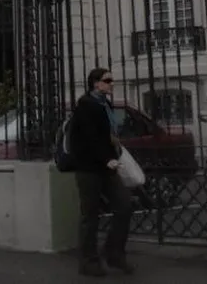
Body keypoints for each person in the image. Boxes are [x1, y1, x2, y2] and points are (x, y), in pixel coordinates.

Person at [69, 67, 134, 277]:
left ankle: (114, 252)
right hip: (89, 168)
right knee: (90, 215)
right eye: (108, 80)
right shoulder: (86, 105)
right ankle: (88, 261)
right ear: (96, 83)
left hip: (107, 166)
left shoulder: (104, 104)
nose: (111, 83)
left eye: (111, 80)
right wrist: (107, 159)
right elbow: (90, 137)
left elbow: (106, 135)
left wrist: (113, 153)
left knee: (124, 205)